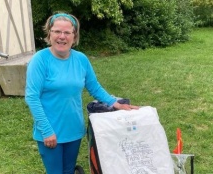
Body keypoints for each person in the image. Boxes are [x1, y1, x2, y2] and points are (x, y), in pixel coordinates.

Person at [25, 12, 139, 174]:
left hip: (73, 130)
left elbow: (94, 87)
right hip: (50, 132)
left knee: (69, 170)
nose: (62, 36)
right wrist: (47, 131)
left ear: (74, 36)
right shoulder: (40, 60)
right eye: (57, 31)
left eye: (67, 32)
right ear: (49, 33)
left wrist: (116, 104)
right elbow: (32, 97)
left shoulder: (81, 59)